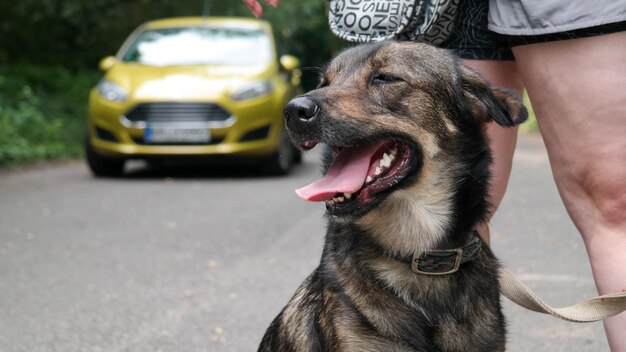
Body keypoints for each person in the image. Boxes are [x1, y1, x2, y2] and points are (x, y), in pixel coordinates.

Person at [244, 0, 626, 349]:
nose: (317, 100)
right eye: (328, 84)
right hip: (444, 8)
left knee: (613, 202)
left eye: (382, 79)